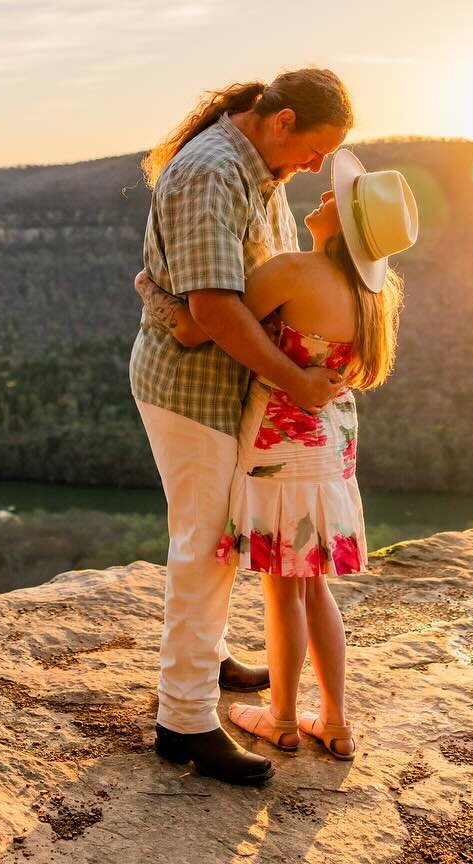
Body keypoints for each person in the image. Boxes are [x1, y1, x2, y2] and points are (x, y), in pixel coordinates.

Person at [143, 149, 416, 763]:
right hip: (332, 455)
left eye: (336, 201)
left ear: (345, 227)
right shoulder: (374, 299)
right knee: (314, 588)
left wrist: (152, 292)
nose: (323, 197)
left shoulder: (295, 271)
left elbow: (198, 326)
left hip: (278, 450)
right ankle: (337, 723)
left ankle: (284, 719)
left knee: (281, 589)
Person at [128, 68, 353, 786]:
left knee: (216, 537)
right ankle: (184, 720)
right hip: (192, 393)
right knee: (206, 546)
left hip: (229, 390)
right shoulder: (211, 173)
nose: (317, 168)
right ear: (281, 121)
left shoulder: (263, 174)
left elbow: (252, 297)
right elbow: (216, 313)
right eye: (316, 148)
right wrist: (299, 381)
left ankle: (208, 658)